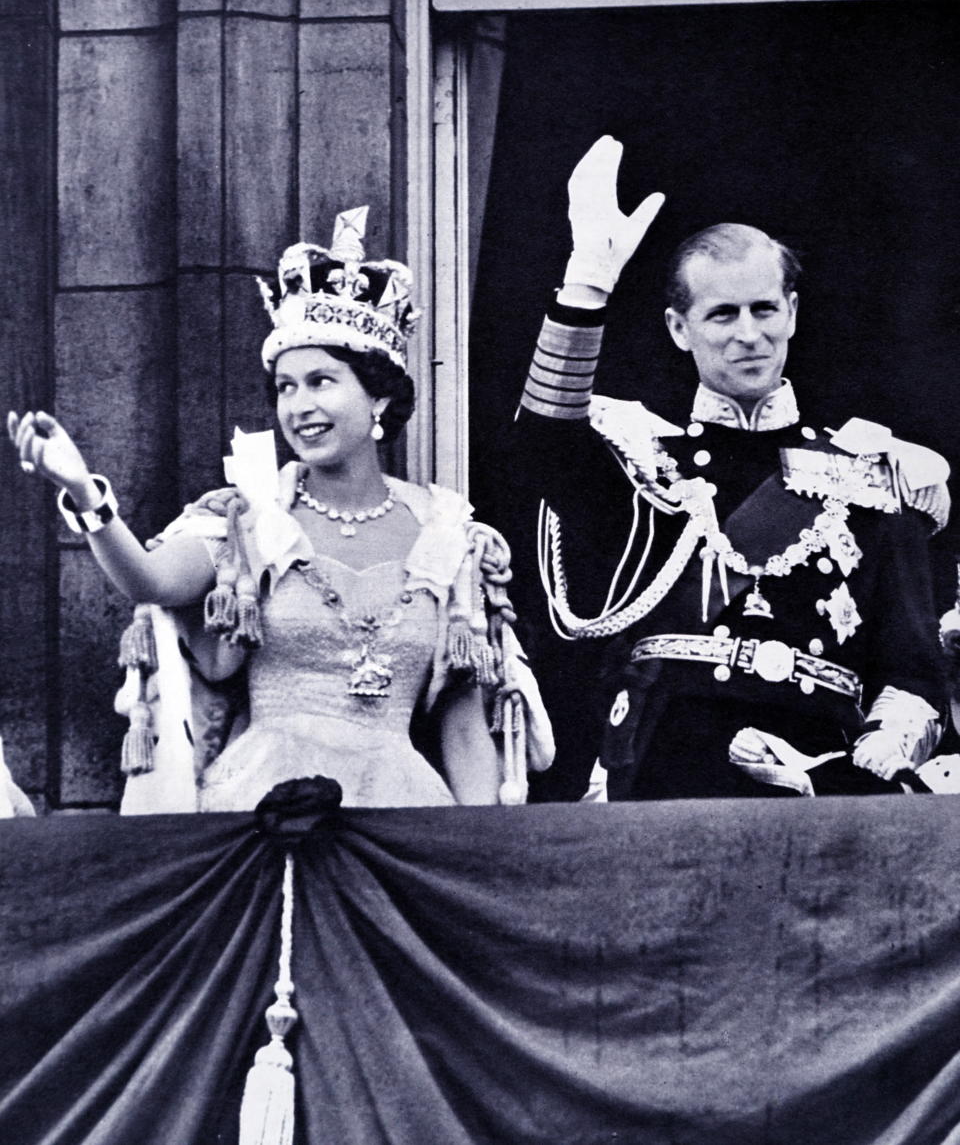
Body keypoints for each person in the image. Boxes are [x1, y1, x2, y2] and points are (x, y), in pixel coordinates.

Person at [9, 208, 552, 812]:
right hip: (261, 807)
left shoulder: (446, 534)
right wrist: (87, 494)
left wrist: (479, 856)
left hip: (400, 814)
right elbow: (150, 578)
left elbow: (463, 728)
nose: (299, 405)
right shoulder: (253, 517)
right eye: (286, 387)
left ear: (379, 396)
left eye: (322, 381)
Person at [515, 136, 948, 799]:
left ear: (793, 314)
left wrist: (855, 768)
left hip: (819, 779)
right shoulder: (641, 461)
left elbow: (913, 676)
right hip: (663, 767)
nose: (748, 334)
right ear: (678, 328)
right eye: (721, 314)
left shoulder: (872, 477)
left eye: (764, 309)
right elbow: (540, 453)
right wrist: (585, 283)